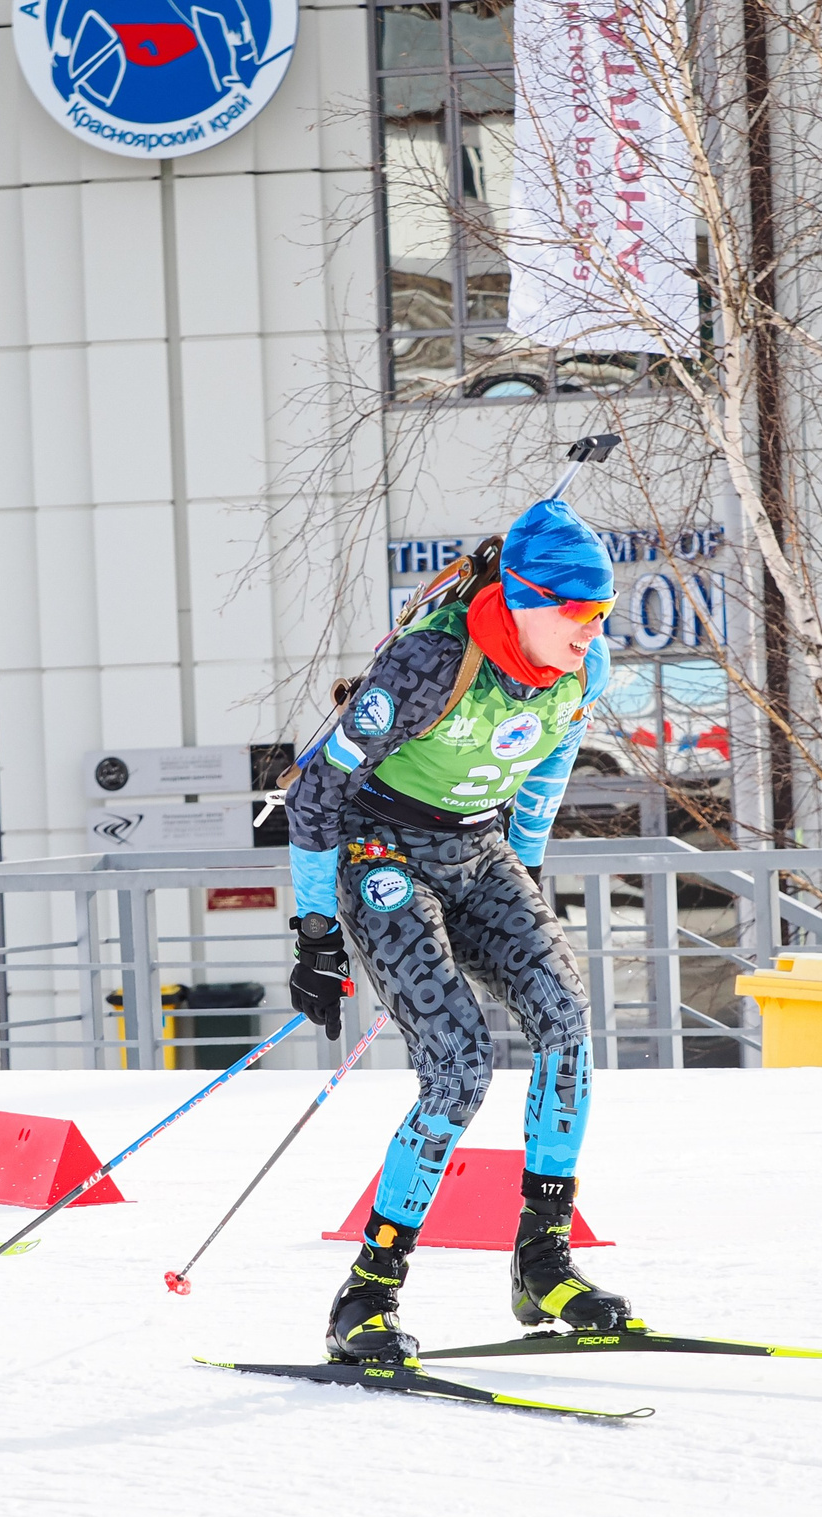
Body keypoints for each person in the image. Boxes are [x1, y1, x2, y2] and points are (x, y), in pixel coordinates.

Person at [282, 495, 635, 1364]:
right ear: (521, 594)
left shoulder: (580, 672)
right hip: (382, 850)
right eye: (577, 611)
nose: (591, 629)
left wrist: (522, 889)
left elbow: (543, 766)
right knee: (460, 1065)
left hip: (478, 848)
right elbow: (312, 793)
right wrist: (318, 932)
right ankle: (366, 1292)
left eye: (604, 612)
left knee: (564, 1017)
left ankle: (542, 1262)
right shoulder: (432, 661)